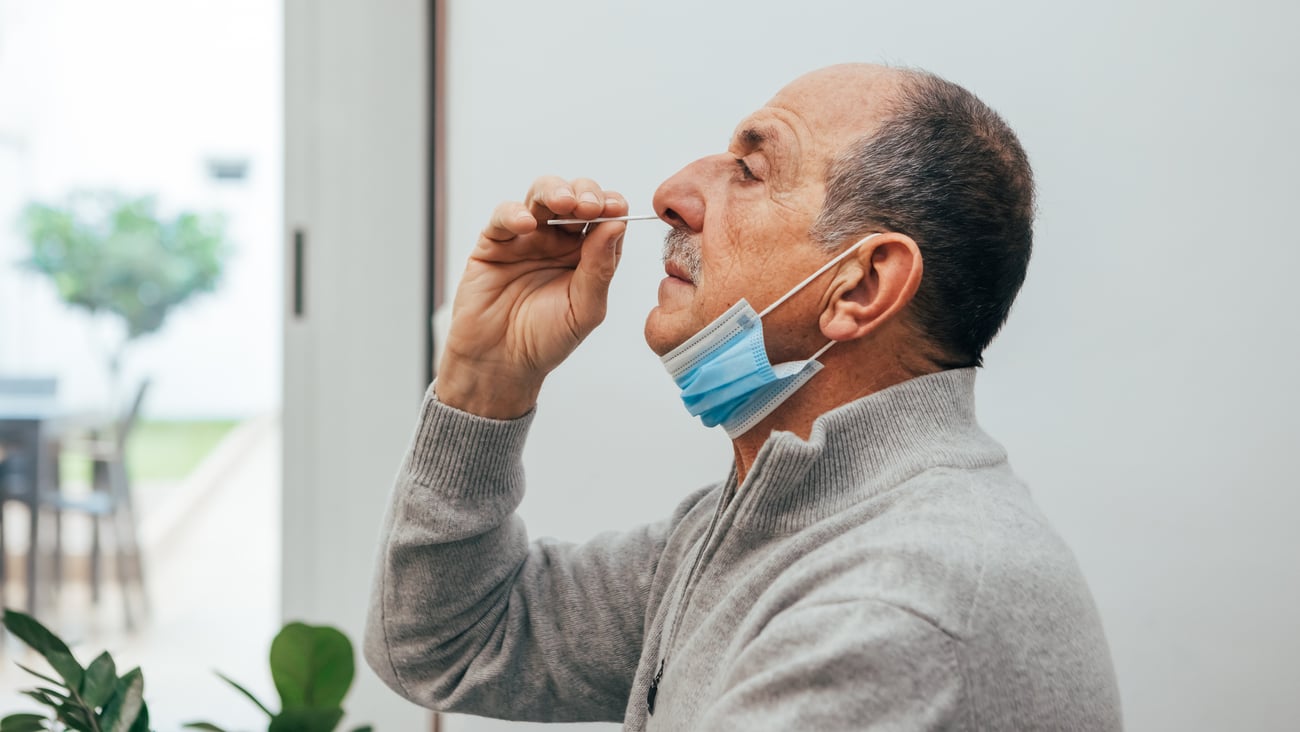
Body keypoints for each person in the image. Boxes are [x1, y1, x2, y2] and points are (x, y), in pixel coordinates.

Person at [364, 63, 1122, 730]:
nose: (671, 195)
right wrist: (485, 379)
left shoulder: (894, 604)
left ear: (860, 286)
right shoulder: (770, 521)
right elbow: (449, 643)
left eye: (751, 172)